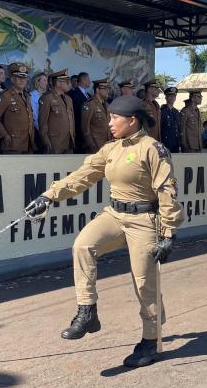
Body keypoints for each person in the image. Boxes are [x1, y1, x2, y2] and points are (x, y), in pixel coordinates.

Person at [24, 95, 184, 368]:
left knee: (145, 283)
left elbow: (167, 191)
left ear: (132, 121)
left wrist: (168, 233)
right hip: (115, 214)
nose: (109, 123)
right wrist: (49, 196)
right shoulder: (111, 149)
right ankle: (87, 312)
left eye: (114, 118)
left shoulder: (153, 149)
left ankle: (150, 339)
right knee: (83, 246)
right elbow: (83, 175)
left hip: (145, 219)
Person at [0, 62, 35, 154]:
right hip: (12, 144)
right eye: (19, 77)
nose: (22, 80)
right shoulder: (5, 96)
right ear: (13, 79)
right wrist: (4, 135)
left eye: (24, 77)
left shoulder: (27, 96)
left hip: (28, 142)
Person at [38, 69, 75, 154]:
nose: (69, 84)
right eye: (66, 81)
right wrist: (46, 141)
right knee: (53, 166)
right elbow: (43, 122)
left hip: (69, 141)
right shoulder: (47, 98)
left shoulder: (69, 99)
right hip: (54, 142)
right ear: (58, 83)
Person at [80, 77, 112, 153]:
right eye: (105, 88)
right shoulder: (90, 105)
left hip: (107, 144)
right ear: (97, 90)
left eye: (108, 88)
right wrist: (91, 145)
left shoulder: (107, 105)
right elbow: (85, 128)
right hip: (96, 145)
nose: (107, 91)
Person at [158, 86, 182, 153]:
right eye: (170, 96)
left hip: (175, 142)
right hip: (165, 142)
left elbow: (178, 128)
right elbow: (159, 127)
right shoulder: (162, 111)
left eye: (174, 96)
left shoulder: (176, 112)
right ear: (166, 98)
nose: (172, 98)